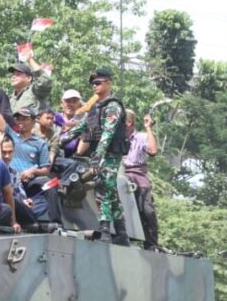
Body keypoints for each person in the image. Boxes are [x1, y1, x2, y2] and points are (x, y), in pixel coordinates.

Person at [62, 68, 130, 245]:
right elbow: (81, 127)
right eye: (93, 83)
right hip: (100, 154)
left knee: (103, 189)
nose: (94, 86)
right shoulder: (96, 108)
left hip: (110, 155)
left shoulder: (113, 107)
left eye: (98, 83)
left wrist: (97, 157)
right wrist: (60, 141)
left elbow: (108, 133)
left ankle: (105, 231)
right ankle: (122, 233)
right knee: (111, 191)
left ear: (108, 83)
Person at [123, 109, 159, 250]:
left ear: (128, 122)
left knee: (147, 210)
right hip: (117, 174)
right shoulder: (113, 137)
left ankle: (151, 244)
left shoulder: (140, 137)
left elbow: (153, 151)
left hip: (137, 175)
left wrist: (148, 128)